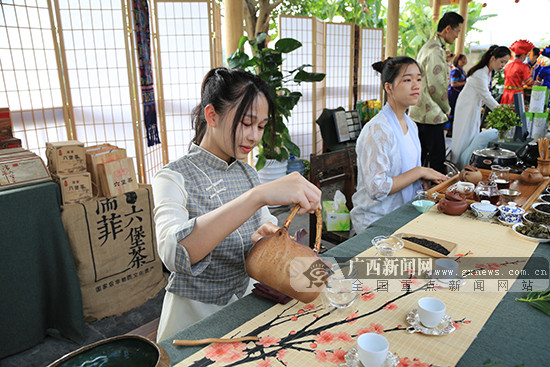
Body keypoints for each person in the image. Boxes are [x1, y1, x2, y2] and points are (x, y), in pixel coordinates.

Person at [152, 67, 321, 342]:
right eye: (246, 123)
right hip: (195, 317)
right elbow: (173, 253)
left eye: (261, 126)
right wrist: (257, 196)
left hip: (246, 303)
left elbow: (261, 228)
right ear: (212, 116)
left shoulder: (247, 172)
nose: (255, 136)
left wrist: (261, 236)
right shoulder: (173, 177)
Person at [350, 57, 449, 234]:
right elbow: (377, 188)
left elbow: (406, 172)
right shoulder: (378, 130)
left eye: (419, 79)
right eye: (407, 80)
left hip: (404, 211)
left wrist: (422, 179)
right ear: (389, 87)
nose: (416, 85)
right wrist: (419, 171)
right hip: (376, 220)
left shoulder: (410, 125)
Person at [409, 11, 464, 174]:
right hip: (430, 113)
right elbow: (436, 86)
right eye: (457, 31)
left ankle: (419, 193)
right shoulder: (435, 50)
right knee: (437, 160)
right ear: (448, 29)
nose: (457, 36)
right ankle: (436, 195)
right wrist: (446, 108)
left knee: (419, 158)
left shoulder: (429, 46)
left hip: (420, 110)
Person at [450, 45, 511, 167]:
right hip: (466, 107)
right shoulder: (480, 73)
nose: (502, 65)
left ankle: (465, 164)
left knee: (471, 136)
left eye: (505, 63)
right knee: (462, 137)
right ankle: (455, 166)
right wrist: (502, 111)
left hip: (473, 106)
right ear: (493, 58)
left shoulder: (487, 72)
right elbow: (487, 96)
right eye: (501, 61)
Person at [500, 39, 535, 105]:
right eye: (526, 55)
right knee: (516, 113)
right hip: (517, 94)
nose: (526, 57)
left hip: (506, 94)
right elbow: (528, 81)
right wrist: (536, 83)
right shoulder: (523, 67)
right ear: (523, 55)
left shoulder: (507, 66)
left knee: (505, 113)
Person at [446, 54, 468, 136]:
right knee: (453, 112)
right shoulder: (455, 71)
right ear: (457, 61)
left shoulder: (462, 71)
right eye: (462, 59)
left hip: (459, 94)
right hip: (454, 94)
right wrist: (466, 82)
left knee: (457, 112)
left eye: (465, 59)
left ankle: (454, 130)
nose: (464, 61)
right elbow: (453, 83)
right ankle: (449, 131)